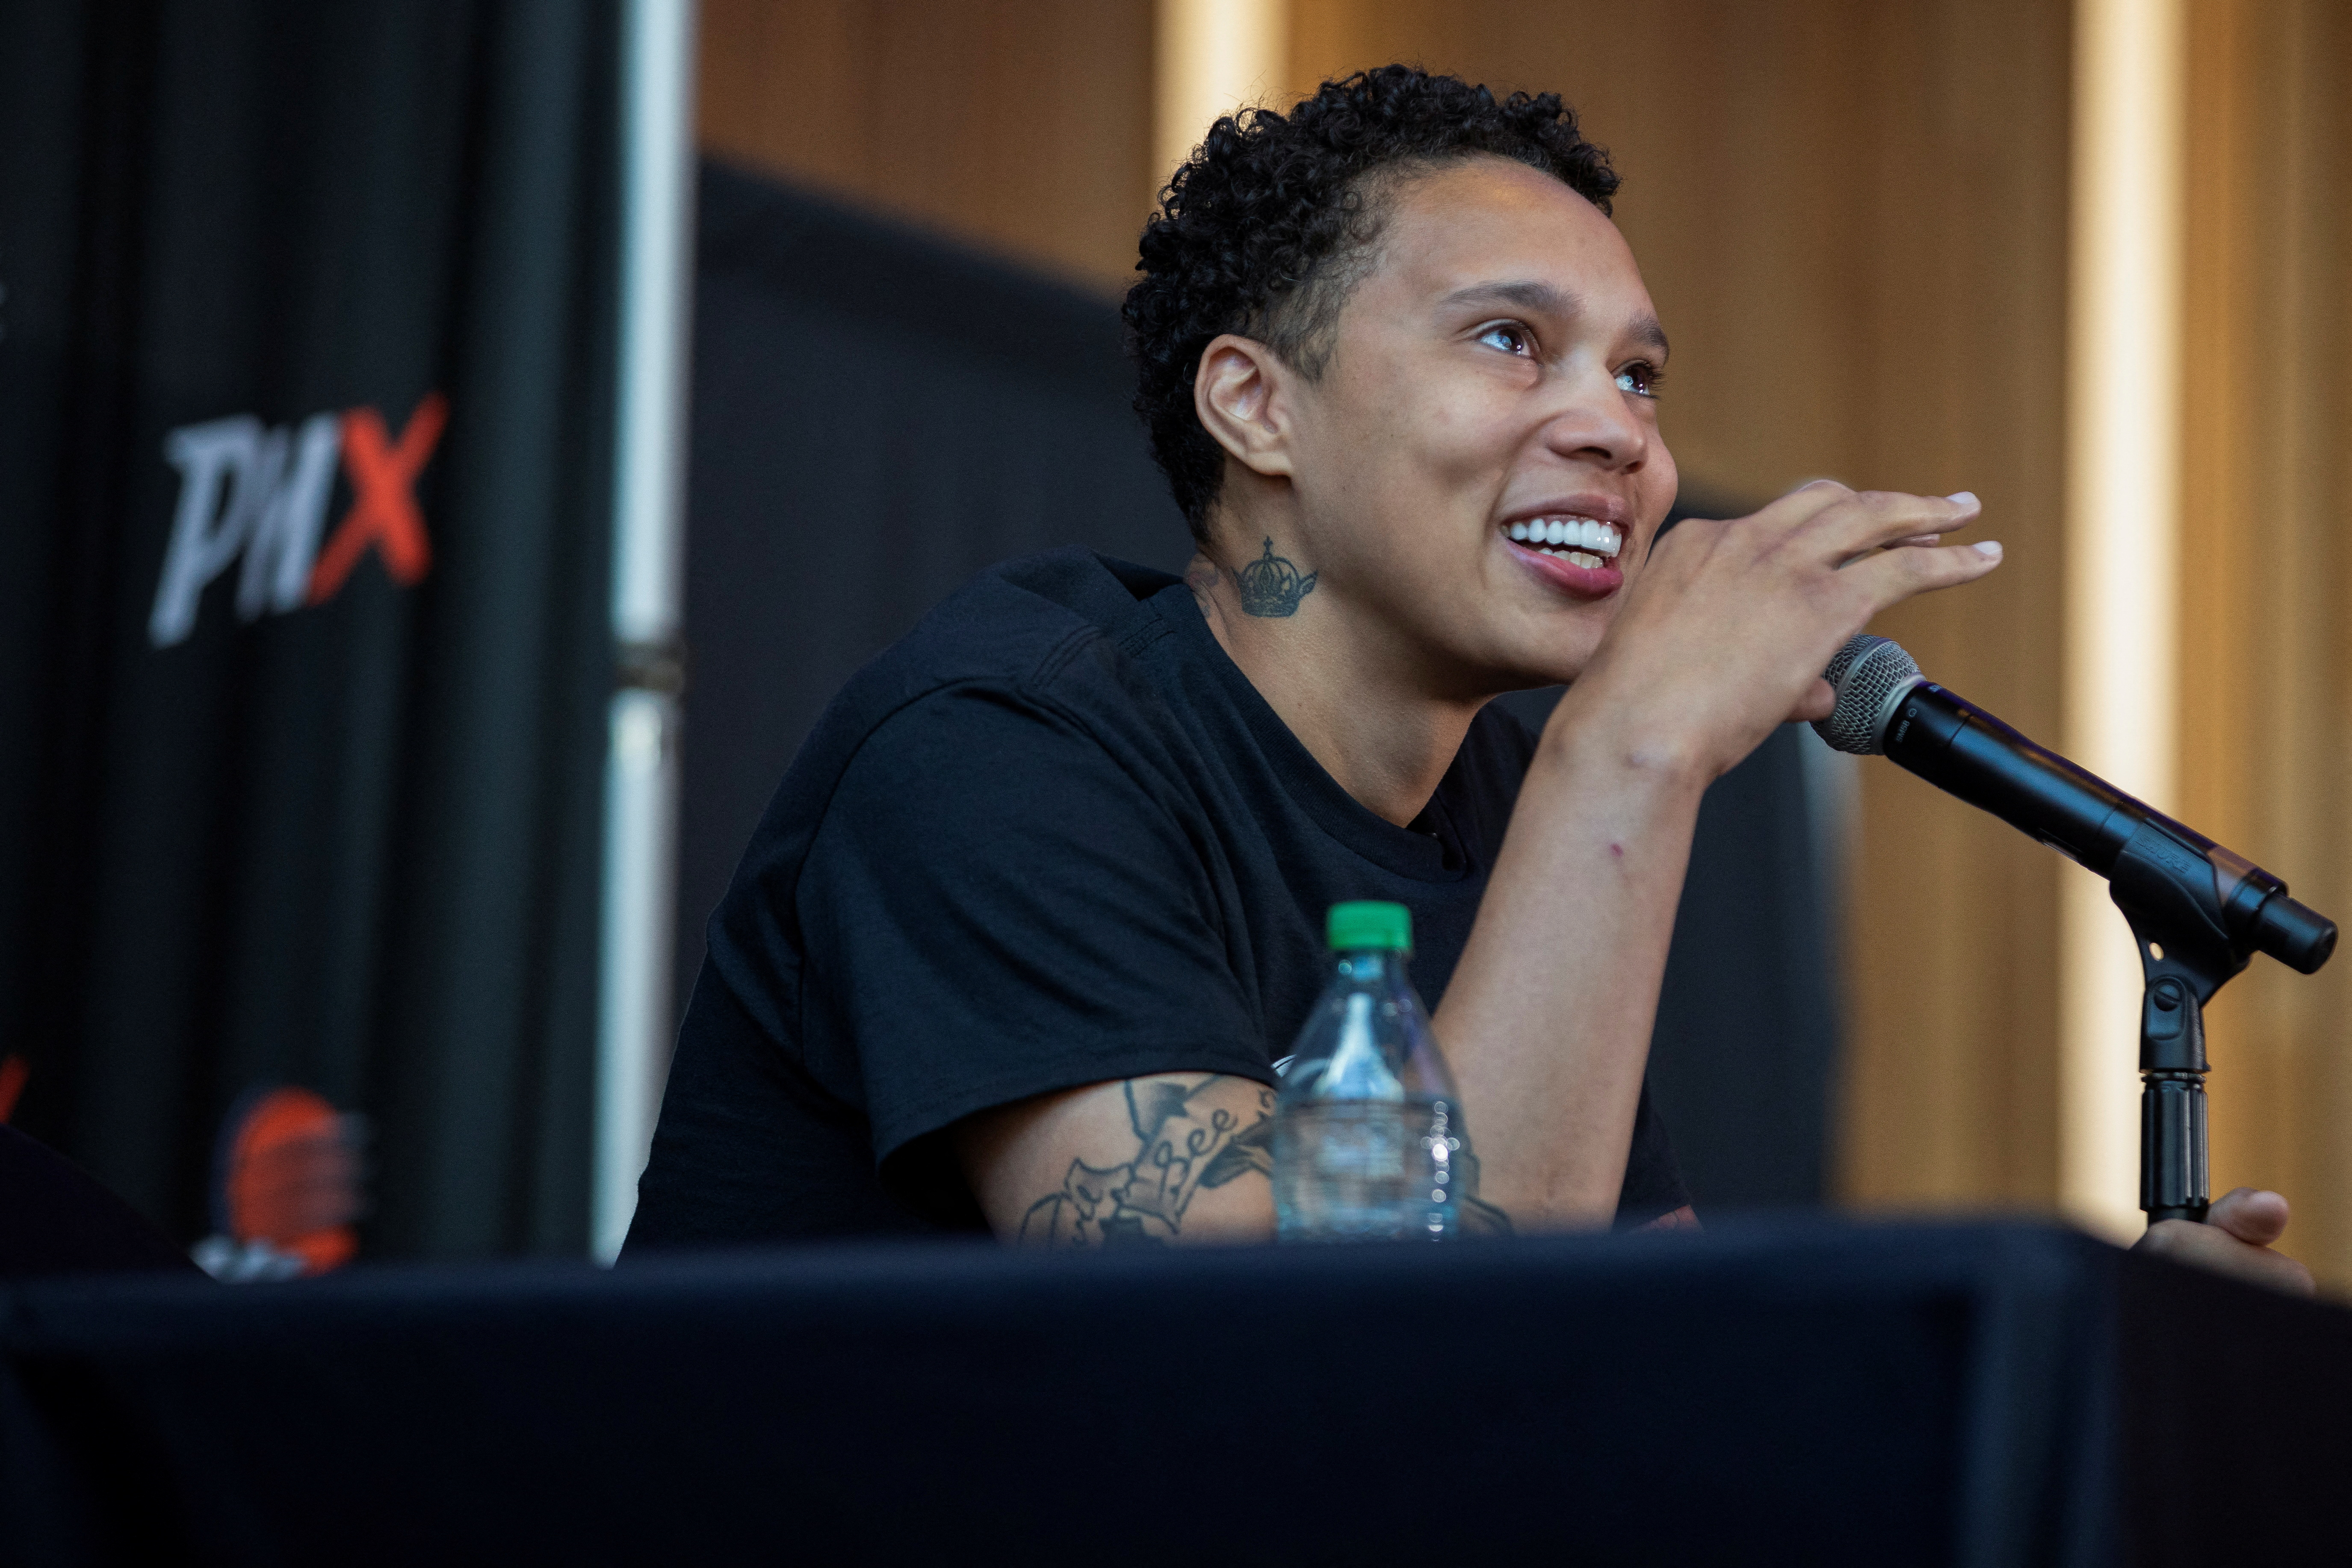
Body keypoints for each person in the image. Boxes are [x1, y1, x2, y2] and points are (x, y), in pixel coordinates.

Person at [626, 66, 2308, 1293]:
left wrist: (2107, 1339)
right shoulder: (1006, 740)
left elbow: (1627, 1372)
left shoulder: (1504, 813)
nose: (1620, 430)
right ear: (1255, 406)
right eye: (1512, 340)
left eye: (1638, 373)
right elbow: (1255, 1363)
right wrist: (1631, 746)